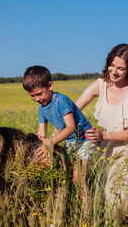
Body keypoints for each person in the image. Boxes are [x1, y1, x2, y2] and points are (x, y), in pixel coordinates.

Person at [75, 44, 128, 216]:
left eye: (121, 68)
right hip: (107, 153)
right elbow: (72, 110)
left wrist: (101, 135)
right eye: (112, 65)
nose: (114, 71)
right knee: (108, 207)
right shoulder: (100, 85)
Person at [22, 65, 95, 216]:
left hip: (85, 139)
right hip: (69, 142)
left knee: (79, 179)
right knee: (65, 176)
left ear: (50, 85)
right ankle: (71, 209)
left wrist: (51, 141)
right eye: (32, 96)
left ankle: (88, 216)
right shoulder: (41, 109)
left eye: (39, 94)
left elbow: (70, 127)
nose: (36, 99)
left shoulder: (61, 100)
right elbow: (41, 134)